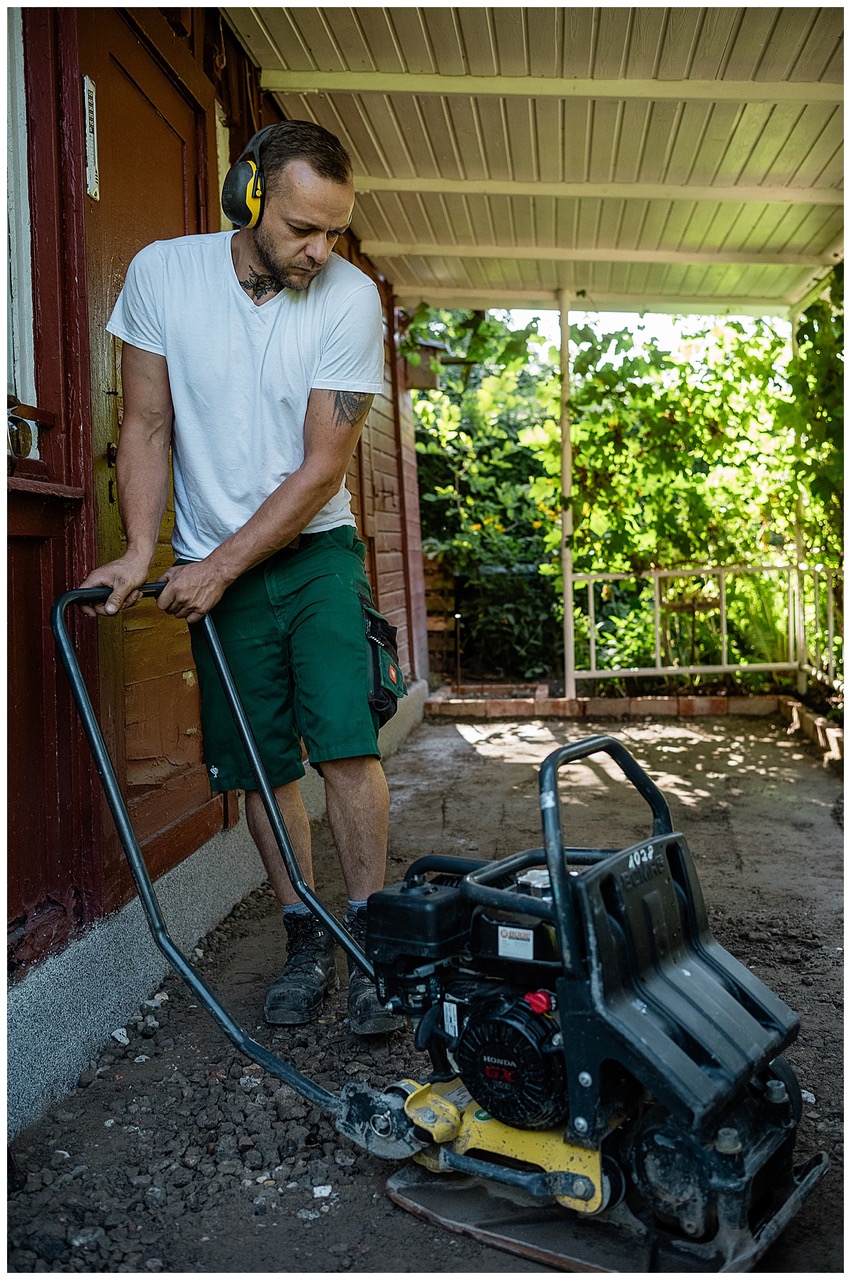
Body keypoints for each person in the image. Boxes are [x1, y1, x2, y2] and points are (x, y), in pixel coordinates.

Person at [78, 120, 406, 1036]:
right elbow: (144, 424)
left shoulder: (349, 299)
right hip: (210, 560)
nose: (319, 251)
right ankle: (305, 932)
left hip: (313, 551)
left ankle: (372, 939)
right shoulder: (161, 274)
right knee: (261, 768)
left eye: (334, 231)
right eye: (303, 228)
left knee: (345, 741)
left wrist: (219, 565)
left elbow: (320, 471)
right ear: (249, 194)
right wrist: (143, 552)